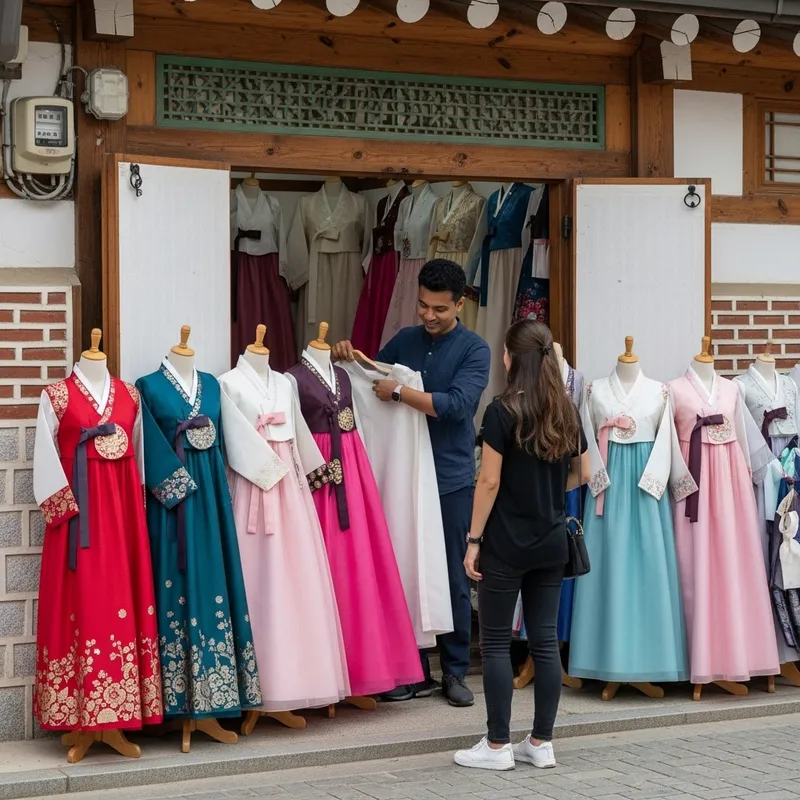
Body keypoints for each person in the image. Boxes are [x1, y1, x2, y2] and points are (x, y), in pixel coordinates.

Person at [332, 258, 490, 708]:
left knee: (452, 577)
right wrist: (345, 354)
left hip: (449, 479)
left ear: (460, 304)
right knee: (405, 572)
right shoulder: (406, 339)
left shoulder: (475, 350)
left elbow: (459, 406)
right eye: (422, 305)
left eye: (439, 308)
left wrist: (401, 393)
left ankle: (455, 672)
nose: (428, 315)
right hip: (402, 478)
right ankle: (412, 669)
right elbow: (369, 372)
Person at [453, 320, 589, 771]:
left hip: (507, 543)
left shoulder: (501, 411)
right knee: (545, 642)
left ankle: (496, 747)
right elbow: (582, 473)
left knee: (493, 643)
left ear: (512, 358)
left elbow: (488, 481)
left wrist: (474, 540)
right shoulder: (566, 409)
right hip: (551, 542)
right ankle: (541, 742)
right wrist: (549, 492)